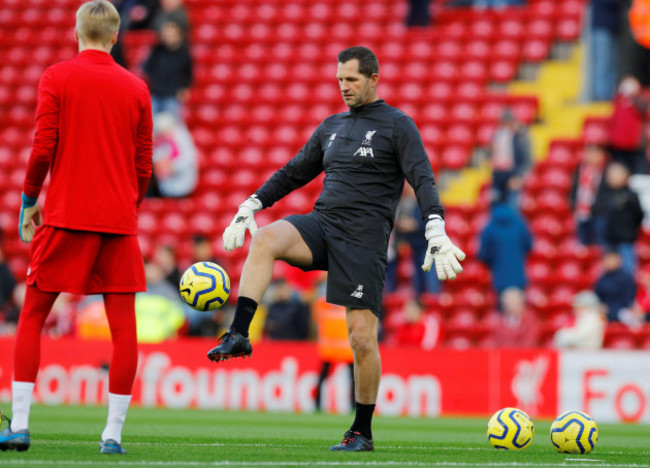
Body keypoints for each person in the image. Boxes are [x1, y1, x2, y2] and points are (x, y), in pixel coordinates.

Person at [205, 47, 465, 452]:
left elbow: (423, 178)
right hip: (323, 226)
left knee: (361, 340)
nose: (344, 87)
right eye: (340, 79)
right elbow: (294, 172)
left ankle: (361, 431)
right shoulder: (331, 126)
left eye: (352, 80)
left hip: (363, 242)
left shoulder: (398, 126)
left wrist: (435, 223)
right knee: (266, 238)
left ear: (374, 79)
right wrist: (251, 204)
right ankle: (239, 333)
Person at [1, 0, 152, 455]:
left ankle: (21, 425)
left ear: (76, 32)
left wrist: (30, 198)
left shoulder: (58, 77)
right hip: (117, 222)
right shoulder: (136, 88)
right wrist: (128, 204)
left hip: (66, 216)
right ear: (114, 36)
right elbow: (143, 164)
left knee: (32, 316)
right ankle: (112, 436)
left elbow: (43, 146)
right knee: (123, 330)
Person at [478, 201, 533, 299]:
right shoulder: (519, 224)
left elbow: (483, 254)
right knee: (518, 310)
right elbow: (529, 245)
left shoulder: (490, 228)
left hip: (500, 278)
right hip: (518, 276)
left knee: (502, 312)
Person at [312, 289, 355, 412]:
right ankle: (352, 405)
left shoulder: (323, 303)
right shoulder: (349, 301)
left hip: (338, 349)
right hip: (337, 349)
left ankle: (317, 404)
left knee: (324, 378)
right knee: (352, 379)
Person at [142, 18, 193, 118]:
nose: (167, 35)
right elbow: (147, 68)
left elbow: (188, 73)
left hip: (172, 96)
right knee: (151, 125)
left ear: (179, 35)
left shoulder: (184, 53)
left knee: (171, 127)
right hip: (156, 94)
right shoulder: (157, 50)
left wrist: (184, 88)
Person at [602, 162, 645, 275]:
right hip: (610, 241)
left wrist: (630, 231)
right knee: (610, 273)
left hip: (626, 241)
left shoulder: (631, 195)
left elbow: (639, 215)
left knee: (627, 272)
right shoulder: (607, 194)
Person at [488, 109, 532, 209]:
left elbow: (527, 160)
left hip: (513, 176)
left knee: (512, 206)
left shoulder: (520, 136)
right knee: (496, 206)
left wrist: (518, 176)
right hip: (498, 176)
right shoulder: (498, 135)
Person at [150, 111, 198, 198]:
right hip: (165, 186)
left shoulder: (181, 138)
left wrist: (171, 168)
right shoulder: (160, 140)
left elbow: (188, 159)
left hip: (182, 185)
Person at [608, 75, 649, 175]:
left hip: (636, 145)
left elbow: (644, 108)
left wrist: (634, 95)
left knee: (639, 175)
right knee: (619, 173)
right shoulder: (619, 98)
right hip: (619, 145)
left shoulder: (642, 97)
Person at [569, 144, 609, 246]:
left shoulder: (606, 171)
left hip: (599, 213)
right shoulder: (580, 169)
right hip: (581, 211)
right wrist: (573, 204)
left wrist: (599, 207)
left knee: (600, 243)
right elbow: (574, 189)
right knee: (582, 243)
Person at [586, 0, 622, 102]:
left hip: (613, 27)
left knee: (612, 64)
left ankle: (610, 96)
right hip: (603, 27)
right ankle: (602, 97)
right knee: (603, 64)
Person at [594, 250, 637, 321]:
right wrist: (600, 306)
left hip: (621, 311)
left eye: (611, 259)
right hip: (603, 311)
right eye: (607, 259)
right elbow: (597, 295)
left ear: (619, 260)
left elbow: (628, 300)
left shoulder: (626, 278)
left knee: (626, 315)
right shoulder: (602, 278)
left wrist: (610, 308)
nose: (609, 262)